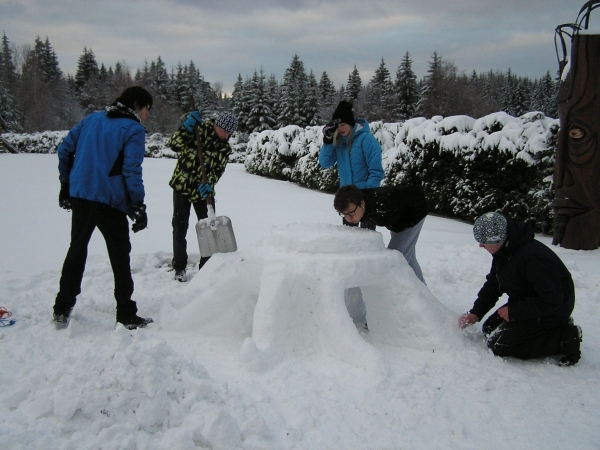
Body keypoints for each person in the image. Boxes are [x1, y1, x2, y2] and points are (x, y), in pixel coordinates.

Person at [53, 86, 154, 330]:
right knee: (120, 256)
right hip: (110, 202)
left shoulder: (92, 119)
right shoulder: (133, 130)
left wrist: (66, 184)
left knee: (76, 250)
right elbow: (131, 170)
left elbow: (64, 150)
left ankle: (62, 308)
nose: (147, 115)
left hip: (81, 196)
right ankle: (126, 313)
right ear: (136, 105)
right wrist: (138, 205)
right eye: (147, 109)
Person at [459, 212, 583, 366]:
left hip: (553, 308)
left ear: (498, 239)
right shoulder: (504, 252)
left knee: (500, 345)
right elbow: (493, 285)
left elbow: (552, 298)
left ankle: (565, 338)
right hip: (528, 301)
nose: (480, 245)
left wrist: (514, 312)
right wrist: (476, 313)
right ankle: (549, 330)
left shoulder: (532, 257)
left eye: (484, 241)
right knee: (489, 329)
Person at [168, 109, 237, 281]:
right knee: (179, 227)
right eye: (225, 131)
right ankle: (179, 267)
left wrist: (210, 182)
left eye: (229, 133)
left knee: (210, 228)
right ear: (217, 125)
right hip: (183, 186)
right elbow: (174, 145)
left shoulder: (224, 148)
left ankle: (206, 268)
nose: (226, 136)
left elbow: (218, 170)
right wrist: (186, 127)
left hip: (203, 191)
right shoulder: (196, 130)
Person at [333, 184, 428, 284]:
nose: (348, 219)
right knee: (407, 254)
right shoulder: (355, 205)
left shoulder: (383, 204)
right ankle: (422, 290)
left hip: (413, 215)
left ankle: (402, 294)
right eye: (344, 214)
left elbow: (414, 194)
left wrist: (401, 230)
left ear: (362, 203)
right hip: (396, 218)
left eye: (351, 213)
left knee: (396, 259)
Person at [320, 101, 384, 230]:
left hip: (364, 199)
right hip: (347, 199)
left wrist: (368, 193)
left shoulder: (366, 140)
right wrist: (327, 141)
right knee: (349, 239)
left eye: (343, 124)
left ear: (350, 123)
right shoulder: (338, 143)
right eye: (337, 126)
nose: (340, 129)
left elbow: (376, 171)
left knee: (367, 238)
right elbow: (325, 163)